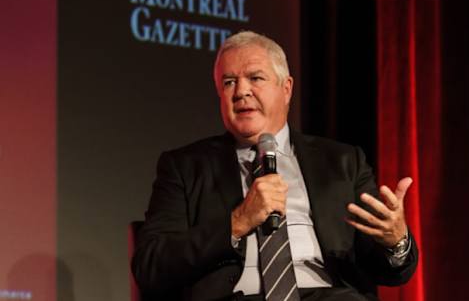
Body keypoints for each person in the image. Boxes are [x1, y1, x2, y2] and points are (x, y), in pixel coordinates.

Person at [132, 31, 418, 301]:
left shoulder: (343, 161)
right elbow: (151, 266)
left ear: (286, 88)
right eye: (229, 82)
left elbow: (387, 270)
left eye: (255, 78)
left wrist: (396, 242)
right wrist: (238, 221)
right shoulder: (185, 167)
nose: (241, 91)